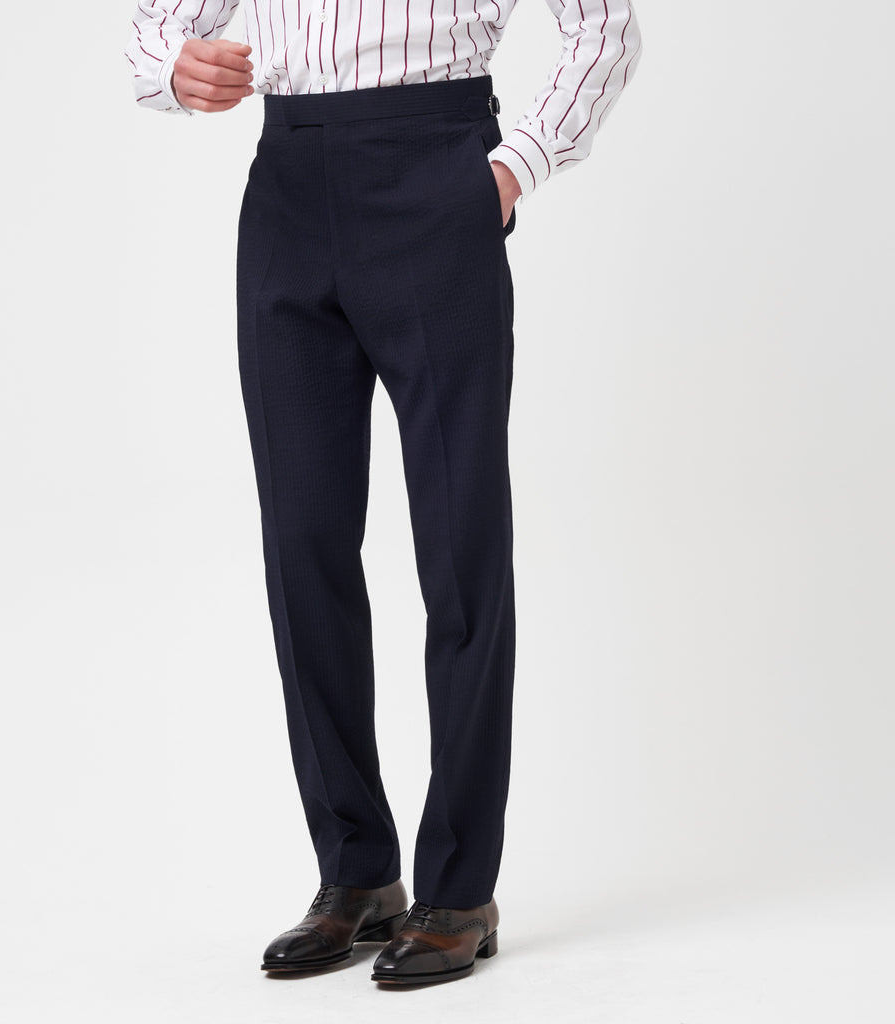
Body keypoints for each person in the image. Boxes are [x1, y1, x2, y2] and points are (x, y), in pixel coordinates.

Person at [125, 0, 641, 986]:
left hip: (434, 167)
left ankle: (460, 888)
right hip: (286, 183)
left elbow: (604, 28)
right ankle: (356, 871)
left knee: (459, 545)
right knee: (302, 544)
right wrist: (173, 67)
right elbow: (156, 25)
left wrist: (512, 168)